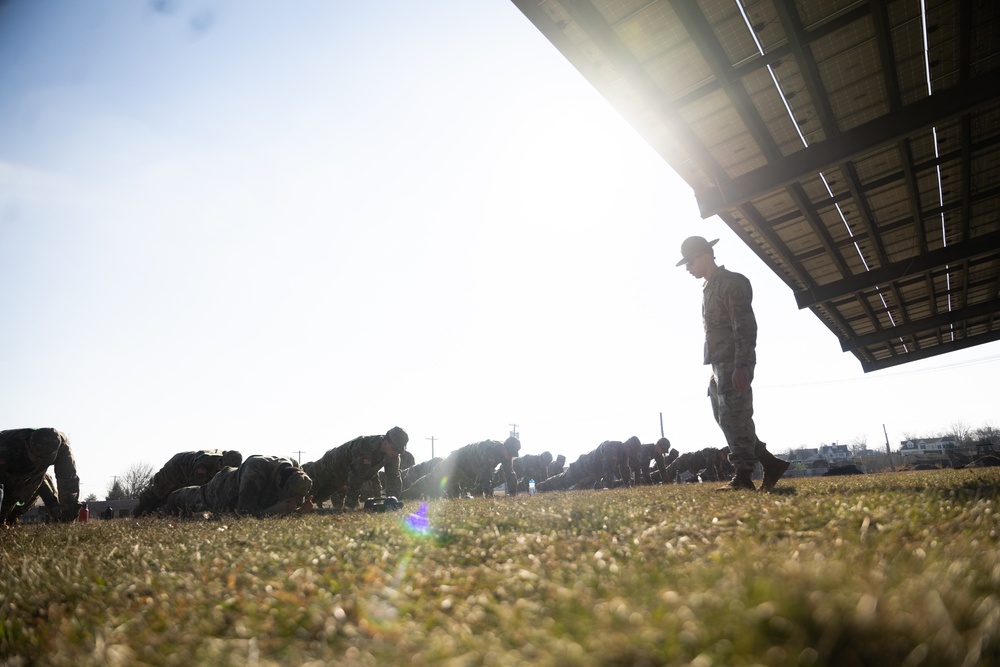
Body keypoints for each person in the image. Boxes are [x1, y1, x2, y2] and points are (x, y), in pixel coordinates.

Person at [677, 236, 790, 490]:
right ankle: (769, 463)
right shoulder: (708, 288)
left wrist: (742, 365)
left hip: (733, 362)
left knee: (735, 417)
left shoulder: (731, 283)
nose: (688, 268)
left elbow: (745, 326)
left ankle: (743, 476)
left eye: (690, 261)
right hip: (719, 364)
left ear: (705, 255)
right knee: (726, 418)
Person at [163, 455, 312, 517]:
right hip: (221, 490)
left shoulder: (297, 476)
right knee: (194, 499)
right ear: (279, 478)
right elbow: (244, 514)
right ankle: (166, 504)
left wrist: (299, 511)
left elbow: (292, 504)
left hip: (253, 490)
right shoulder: (255, 471)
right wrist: (275, 511)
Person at [301, 427, 408, 510]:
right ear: (386, 442)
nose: (396, 452)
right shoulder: (365, 447)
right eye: (395, 448)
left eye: (400, 451)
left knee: (319, 497)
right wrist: (351, 506)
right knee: (304, 494)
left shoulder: (393, 455)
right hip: (327, 467)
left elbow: (394, 478)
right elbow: (356, 478)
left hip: (341, 478)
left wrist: (393, 502)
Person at [0, 428, 81, 525]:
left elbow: (68, 480)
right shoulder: (6, 445)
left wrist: (68, 516)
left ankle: (12, 519)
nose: (40, 462)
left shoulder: (61, 446)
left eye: (45, 459)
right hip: (8, 471)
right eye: (37, 457)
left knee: (39, 484)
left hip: (33, 478)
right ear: (27, 445)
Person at [134, 449, 244, 516]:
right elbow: (195, 489)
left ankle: (159, 515)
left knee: (168, 498)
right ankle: (138, 512)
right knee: (158, 492)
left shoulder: (227, 467)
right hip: (176, 468)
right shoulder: (203, 465)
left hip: (187, 472)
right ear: (221, 462)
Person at [408, 437, 520, 499]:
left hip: (468, 471)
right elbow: (485, 475)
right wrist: (489, 496)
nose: (510, 456)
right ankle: (406, 494)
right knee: (432, 480)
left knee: (444, 488)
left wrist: (513, 494)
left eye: (513, 455)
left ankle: (428, 495)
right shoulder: (489, 449)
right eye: (510, 453)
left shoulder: (506, 455)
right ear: (504, 447)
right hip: (455, 462)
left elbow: (510, 474)